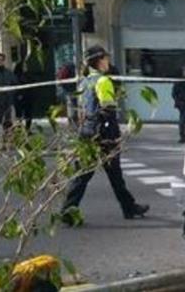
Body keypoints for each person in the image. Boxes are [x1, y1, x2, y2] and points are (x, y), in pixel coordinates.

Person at [60, 45, 148, 226]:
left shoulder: (85, 81)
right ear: (99, 61)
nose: (108, 62)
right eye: (106, 58)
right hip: (104, 133)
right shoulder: (102, 81)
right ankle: (127, 208)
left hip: (87, 131)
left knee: (84, 174)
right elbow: (108, 108)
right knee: (113, 173)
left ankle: (127, 206)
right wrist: (115, 133)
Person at [14, 58, 36, 131]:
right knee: (19, 115)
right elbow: (15, 86)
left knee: (28, 115)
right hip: (19, 99)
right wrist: (19, 95)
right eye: (24, 66)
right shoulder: (16, 76)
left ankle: (27, 129)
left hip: (28, 98)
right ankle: (19, 130)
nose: (26, 67)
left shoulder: (28, 75)